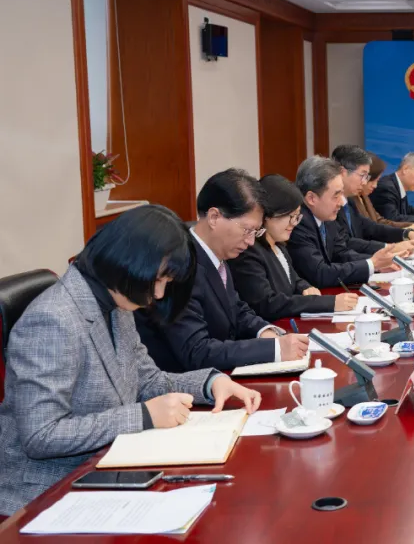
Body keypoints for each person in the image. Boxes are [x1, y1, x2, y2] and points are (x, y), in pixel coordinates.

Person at [0, 205, 261, 516]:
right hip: (48, 492)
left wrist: (211, 382)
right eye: (159, 279)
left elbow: (147, 380)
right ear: (131, 261)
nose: (160, 294)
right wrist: (144, 416)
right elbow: (41, 435)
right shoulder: (52, 319)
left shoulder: (116, 301)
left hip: (109, 466)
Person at [136, 169, 309, 372]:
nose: (251, 241)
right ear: (214, 217)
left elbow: (235, 308)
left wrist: (265, 331)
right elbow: (197, 351)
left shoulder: (217, 252)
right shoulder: (179, 266)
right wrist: (275, 350)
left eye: (256, 232)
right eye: (247, 230)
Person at [229, 175, 360, 321]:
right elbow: (268, 303)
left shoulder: (279, 245)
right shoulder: (249, 252)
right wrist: (328, 303)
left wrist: (305, 287)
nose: (294, 223)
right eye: (290, 216)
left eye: (297, 216)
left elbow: (294, 279)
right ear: (267, 215)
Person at [288, 156, 401, 289]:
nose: (341, 202)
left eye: (341, 194)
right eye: (336, 196)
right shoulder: (298, 223)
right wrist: (371, 264)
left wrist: (376, 264)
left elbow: (341, 253)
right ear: (311, 198)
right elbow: (320, 273)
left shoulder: (325, 216)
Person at [331, 145, 414, 254]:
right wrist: (389, 249)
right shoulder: (332, 204)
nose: (364, 182)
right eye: (362, 175)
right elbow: (346, 244)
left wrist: (406, 233)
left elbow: (370, 227)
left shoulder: (349, 200)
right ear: (343, 172)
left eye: (367, 177)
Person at [362, 155, 414, 234]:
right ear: (405, 169)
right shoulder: (386, 187)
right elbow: (392, 218)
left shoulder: (397, 185)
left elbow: (405, 210)